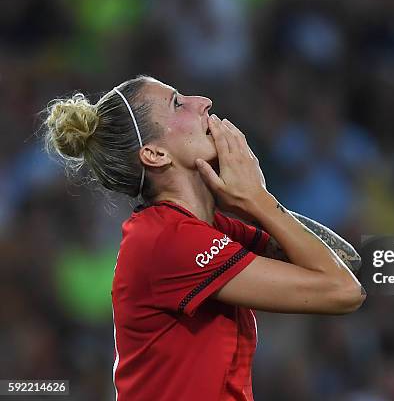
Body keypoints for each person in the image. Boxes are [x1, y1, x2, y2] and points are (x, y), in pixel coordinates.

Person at [42, 75, 365, 401]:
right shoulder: (167, 240)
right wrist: (260, 202)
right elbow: (343, 291)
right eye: (177, 103)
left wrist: (253, 206)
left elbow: (347, 263)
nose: (203, 102)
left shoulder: (209, 229)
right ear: (154, 154)